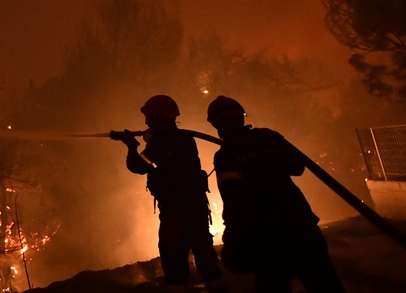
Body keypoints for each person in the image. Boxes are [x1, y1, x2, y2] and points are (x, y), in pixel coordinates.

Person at [206, 95, 346, 293]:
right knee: (324, 284)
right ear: (241, 117)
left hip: (266, 236)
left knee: (273, 286)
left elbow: (233, 199)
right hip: (301, 224)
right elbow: (298, 167)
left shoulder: (226, 155)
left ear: (216, 124)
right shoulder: (268, 137)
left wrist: (232, 239)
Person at [114, 94, 227, 293]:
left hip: (174, 213)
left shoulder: (160, 143)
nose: (146, 122)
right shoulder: (184, 139)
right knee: (206, 258)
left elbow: (138, 166)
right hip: (197, 210)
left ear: (157, 119)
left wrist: (131, 145)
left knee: (174, 261)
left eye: (149, 118)